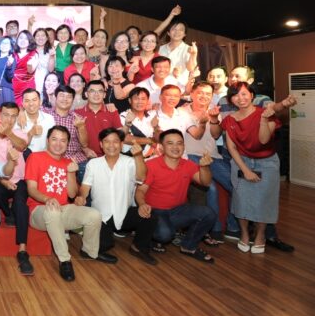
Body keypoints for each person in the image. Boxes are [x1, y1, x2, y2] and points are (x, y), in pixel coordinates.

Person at [25, 126, 114, 282]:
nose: (58, 144)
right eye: (54, 139)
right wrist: (47, 199)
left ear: (67, 144)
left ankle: (89, 251)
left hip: (63, 209)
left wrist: (71, 173)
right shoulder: (35, 157)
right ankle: (64, 260)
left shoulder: (68, 163)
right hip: (38, 211)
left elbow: (72, 194)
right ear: (47, 140)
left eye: (63, 141)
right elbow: (31, 189)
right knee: (53, 212)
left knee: (94, 215)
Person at [76, 129, 157, 265]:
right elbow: (85, 187)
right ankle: (93, 246)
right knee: (103, 245)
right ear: (101, 144)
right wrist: (82, 197)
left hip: (124, 213)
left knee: (150, 215)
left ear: (121, 144)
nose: (111, 145)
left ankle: (138, 247)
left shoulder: (130, 162)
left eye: (115, 142)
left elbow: (141, 177)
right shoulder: (93, 164)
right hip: (101, 217)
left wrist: (138, 156)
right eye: (107, 142)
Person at [220, 82, 282, 254]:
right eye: (235, 95)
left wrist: (266, 117)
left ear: (252, 95)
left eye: (244, 94)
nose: (240, 98)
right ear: (230, 99)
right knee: (241, 200)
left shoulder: (265, 113)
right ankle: (245, 234)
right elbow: (231, 147)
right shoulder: (229, 120)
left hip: (267, 162)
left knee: (264, 201)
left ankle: (260, 235)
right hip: (242, 161)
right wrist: (245, 170)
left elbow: (264, 140)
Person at [138, 129, 216, 262]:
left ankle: (188, 246)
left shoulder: (188, 165)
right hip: (155, 211)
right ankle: (153, 236)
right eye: (170, 143)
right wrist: (142, 204)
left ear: (184, 146)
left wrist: (204, 167)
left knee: (208, 214)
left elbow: (206, 182)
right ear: (161, 147)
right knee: (164, 235)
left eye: (179, 143)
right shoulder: (151, 165)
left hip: (178, 210)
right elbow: (140, 191)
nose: (175, 147)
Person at [185, 81, 238, 243]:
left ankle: (232, 226)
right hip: (191, 156)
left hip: (213, 157)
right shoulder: (182, 112)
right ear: (192, 94)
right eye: (200, 92)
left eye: (208, 94)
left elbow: (216, 135)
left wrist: (214, 119)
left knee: (236, 185)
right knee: (212, 189)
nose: (204, 96)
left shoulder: (214, 111)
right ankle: (215, 229)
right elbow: (197, 135)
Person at [0, 102, 32, 275]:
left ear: (17, 117)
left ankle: (23, 251)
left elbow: (22, 146)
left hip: (20, 179)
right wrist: (2, 180)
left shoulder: (20, 133)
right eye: (5, 115)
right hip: (0, 179)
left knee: (20, 204)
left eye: (13, 116)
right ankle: (8, 213)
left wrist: (9, 133)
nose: (9, 119)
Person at [74, 80, 126, 159]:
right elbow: (73, 139)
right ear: (86, 94)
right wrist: (84, 149)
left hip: (109, 156)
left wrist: (127, 124)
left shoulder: (112, 111)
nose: (96, 94)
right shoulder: (77, 113)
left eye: (100, 91)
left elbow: (120, 135)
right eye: (92, 91)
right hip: (84, 157)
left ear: (104, 95)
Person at [17, 88, 55, 154]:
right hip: (25, 158)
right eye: (27, 101)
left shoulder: (49, 119)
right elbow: (18, 146)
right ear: (22, 103)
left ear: (40, 102)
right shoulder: (17, 120)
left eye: (34, 100)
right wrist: (30, 133)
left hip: (45, 157)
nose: (31, 103)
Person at [12, 30, 38, 105]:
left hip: (27, 86)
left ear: (30, 41)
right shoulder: (13, 53)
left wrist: (29, 65)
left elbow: (31, 71)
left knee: (26, 107)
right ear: (17, 40)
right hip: (13, 87)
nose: (23, 40)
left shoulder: (34, 54)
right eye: (21, 38)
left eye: (26, 39)